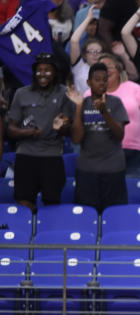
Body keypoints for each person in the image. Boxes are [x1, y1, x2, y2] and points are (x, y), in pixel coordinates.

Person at [6, 54, 74, 210]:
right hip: (26, 155)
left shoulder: (64, 93)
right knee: (24, 201)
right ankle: (28, 232)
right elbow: (10, 129)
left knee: (52, 202)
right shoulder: (21, 93)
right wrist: (28, 133)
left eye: (47, 70)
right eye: (39, 70)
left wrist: (61, 126)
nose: (43, 74)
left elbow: (69, 128)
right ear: (34, 72)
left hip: (52, 155)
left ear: (54, 73)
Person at [67, 62, 129, 213]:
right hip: (87, 170)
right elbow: (76, 138)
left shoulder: (115, 103)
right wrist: (79, 107)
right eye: (97, 79)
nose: (102, 82)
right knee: (87, 214)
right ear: (88, 82)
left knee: (114, 215)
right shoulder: (82, 104)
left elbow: (119, 135)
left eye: (105, 79)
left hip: (113, 169)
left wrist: (104, 112)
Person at [92, 53, 140, 179]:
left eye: (109, 66)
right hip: (103, 154)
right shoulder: (89, 93)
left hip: (135, 152)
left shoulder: (134, 88)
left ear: (118, 69)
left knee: (136, 196)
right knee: (108, 196)